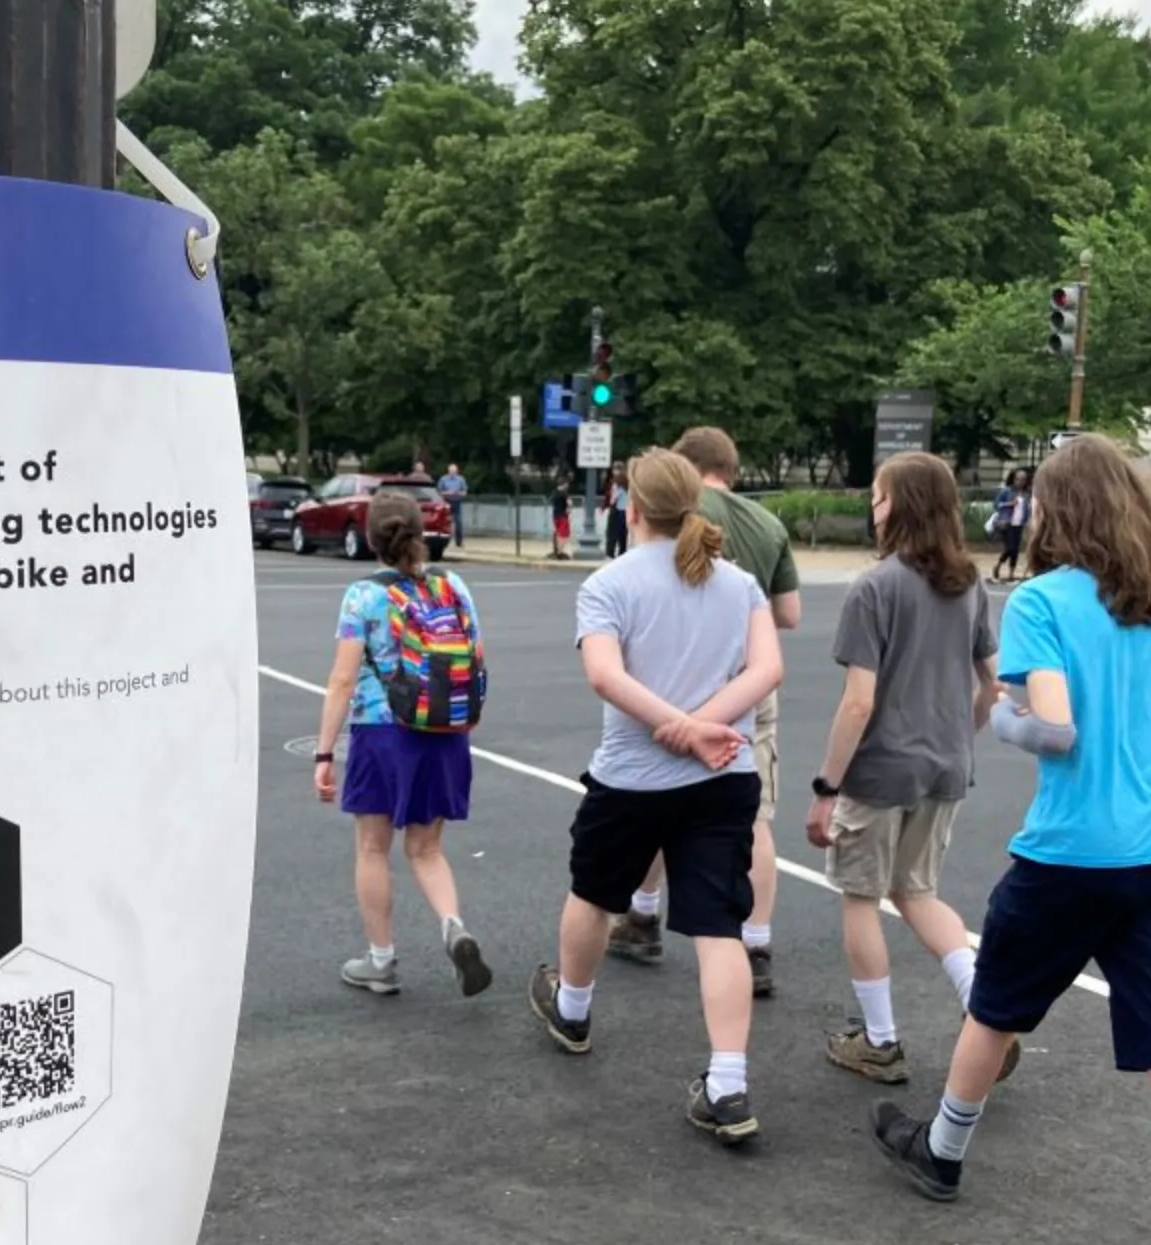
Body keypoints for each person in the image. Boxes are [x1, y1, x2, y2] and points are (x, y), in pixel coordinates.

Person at [869, 435, 1151, 1245]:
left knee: (996, 1004)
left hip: (1072, 852)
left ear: (1053, 511)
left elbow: (1056, 729)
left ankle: (943, 1151)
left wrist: (1008, 726)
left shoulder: (1043, 604)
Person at [527, 447, 782, 1142]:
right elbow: (769, 668)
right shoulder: (739, 585)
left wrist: (677, 726)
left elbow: (605, 676)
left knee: (594, 893)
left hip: (632, 776)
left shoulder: (610, 583)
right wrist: (705, 727)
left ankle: (573, 1009)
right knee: (716, 927)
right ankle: (727, 1083)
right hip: (721, 777)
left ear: (629, 507)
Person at [807, 452, 1017, 1087]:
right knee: (918, 892)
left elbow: (859, 701)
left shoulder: (875, 588)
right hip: (945, 766)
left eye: (878, 497)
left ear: (900, 506)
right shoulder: (970, 583)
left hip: (880, 771)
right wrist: (961, 733)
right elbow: (994, 683)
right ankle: (987, 1009)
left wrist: (826, 786)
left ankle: (880, 1038)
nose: (872, 508)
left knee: (861, 896)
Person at [607, 426, 800, 998]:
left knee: (657, 801)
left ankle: (641, 914)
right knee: (753, 815)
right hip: (744, 684)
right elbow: (788, 613)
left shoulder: (669, 512)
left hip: (668, 682)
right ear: (732, 469)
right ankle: (756, 941)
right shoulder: (767, 524)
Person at [312, 490, 493, 1001]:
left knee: (372, 847)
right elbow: (476, 656)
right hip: (444, 731)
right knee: (427, 849)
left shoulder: (363, 597)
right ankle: (454, 925)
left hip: (381, 732)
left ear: (371, 538)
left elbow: (343, 680)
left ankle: (381, 960)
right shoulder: (452, 584)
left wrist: (325, 753)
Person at [989, 466, 1032, 582]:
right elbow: (996, 504)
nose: (1020, 482)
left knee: (1016, 550)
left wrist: (1028, 521)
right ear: (1013, 479)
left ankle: (1011, 573)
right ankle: (998, 565)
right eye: (1018, 479)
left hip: (1019, 524)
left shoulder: (1027, 493)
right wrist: (1009, 504)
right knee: (1010, 548)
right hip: (1007, 523)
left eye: (1023, 479)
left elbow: (1027, 509)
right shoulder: (1007, 491)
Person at [438, 462, 468, 549]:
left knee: (458, 522)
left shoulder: (461, 480)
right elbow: (439, 492)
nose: (452, 473)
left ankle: (459, 542)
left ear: (457, 471)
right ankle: (443, 541)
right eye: (451, 471)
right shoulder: (443, 479)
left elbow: (464, 492)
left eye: (454, 471)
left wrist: (457, 493)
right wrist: (448, 493)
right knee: (444, 523)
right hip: (446, 502)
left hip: (457, 502)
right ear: (448, 471)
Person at [603, 473, 630, 559]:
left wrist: (613, 491)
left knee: (612, 534)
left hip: (617, 512)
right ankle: (622, 553)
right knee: (623, 535)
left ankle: (610, 553)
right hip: (626, 512)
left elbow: (612, 500)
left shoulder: (619, 488)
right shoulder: (628, 488)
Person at [550, 473, 573, 560]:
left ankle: (557, 551)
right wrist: (569, 509)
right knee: (564, 535)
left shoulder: (555, 492)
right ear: (565, 484)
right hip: (563, 515)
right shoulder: (564, 493)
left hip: (555, 515)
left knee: (558, 533)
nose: (568, 486)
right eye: (567, 484)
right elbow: (570, 503)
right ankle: (560, 551)